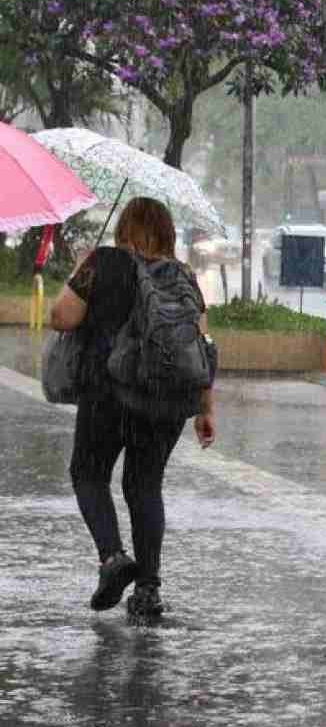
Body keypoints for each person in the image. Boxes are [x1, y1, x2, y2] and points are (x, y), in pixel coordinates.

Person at [49, 198, 216, 621]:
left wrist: (80, 271)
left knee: (88, 474)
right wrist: (204, 408)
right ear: (166, 234)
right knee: (144, 488)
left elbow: (62, 317)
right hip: (164, 402)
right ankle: (147, 590)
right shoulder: (184, 277)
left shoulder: (103, 263)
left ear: (124, 229)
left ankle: (112, 558)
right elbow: (201, 347)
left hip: (107, 395)